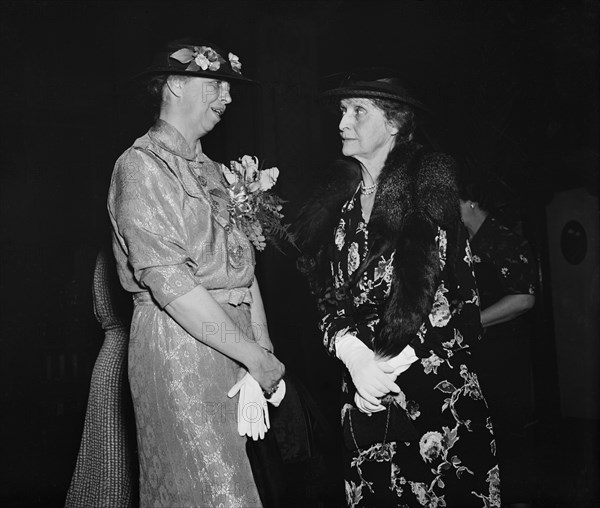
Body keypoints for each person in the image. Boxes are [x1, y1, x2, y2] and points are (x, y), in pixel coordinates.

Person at [296, 74, 500, 507]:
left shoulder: (428, 192)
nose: (342, 123)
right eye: (342, 111)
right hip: (366, 395)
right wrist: (352, 354)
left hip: (432, 391)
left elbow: (450, 299)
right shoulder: (342, 208)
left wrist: (386, 361)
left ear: (392, 124)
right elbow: (327, 296)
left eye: (357, 111)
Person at [107, 38, 285, 507]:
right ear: (173, 85)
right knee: (215, 492)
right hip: (179, 347)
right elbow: (174, 286)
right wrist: (252, 352)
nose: (227, 97)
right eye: (216, 84)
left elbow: (244, 271)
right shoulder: (141, 167)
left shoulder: (215, 172)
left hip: (236, 346)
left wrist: (262, 350)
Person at [459, 181, 537, 508]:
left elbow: (524, 298)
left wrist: (475, 322)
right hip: (477, 356)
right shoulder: (462, 244)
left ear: (472, 201)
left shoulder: (503, 239)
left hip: (502, 356)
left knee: (505, 436)